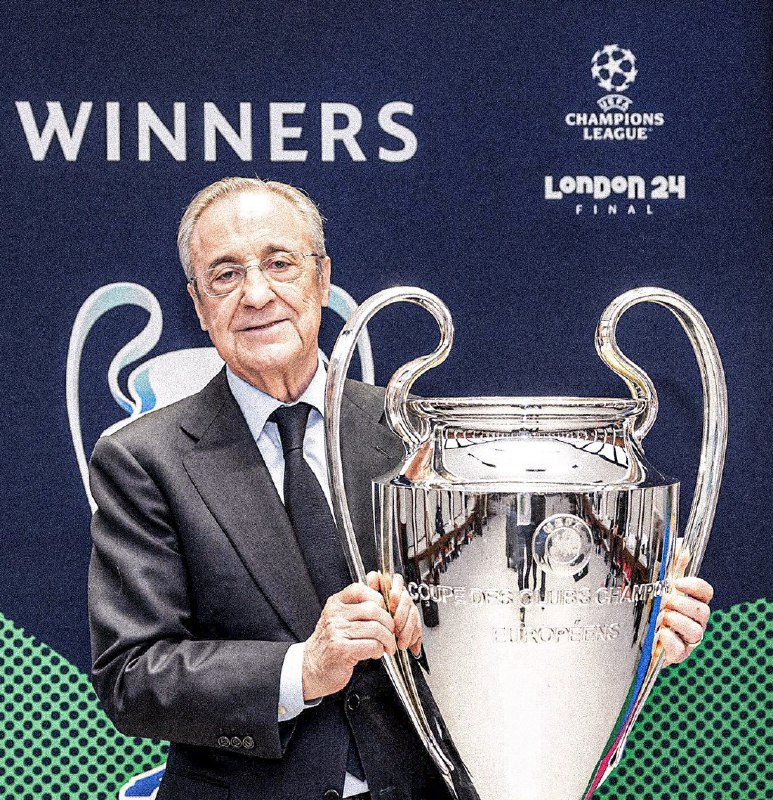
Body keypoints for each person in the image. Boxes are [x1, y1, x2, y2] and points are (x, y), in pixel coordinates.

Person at [88, 177, 714, 800]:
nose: (256, 294)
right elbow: (132, 676)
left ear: (321, 278)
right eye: (225, 274)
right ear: (198, 305)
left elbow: (499, 630)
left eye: (280, 264)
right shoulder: (143, 459)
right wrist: (303, 669)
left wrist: (617, 634)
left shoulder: (424, 439)